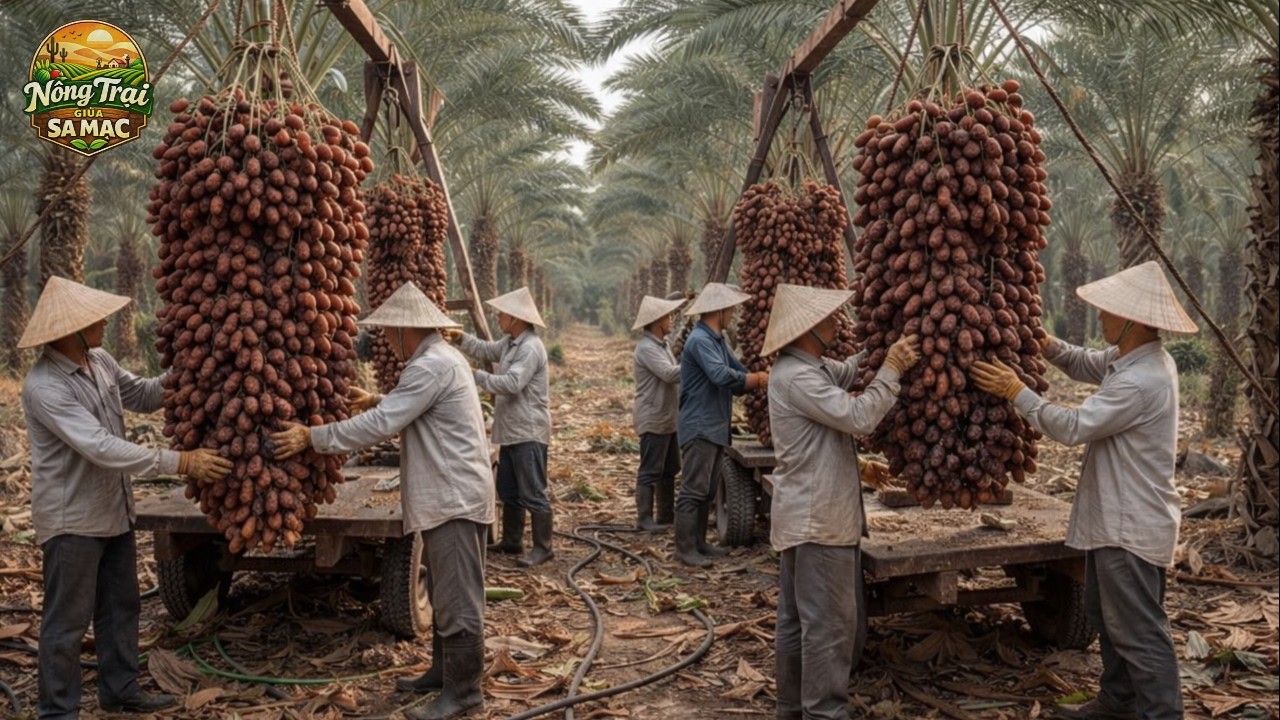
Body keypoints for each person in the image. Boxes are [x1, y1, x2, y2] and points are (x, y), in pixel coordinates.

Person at [969, 261, 1197, 720]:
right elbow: (1081, 362)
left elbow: (1073, 426)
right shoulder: (1133, 358)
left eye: (1106, 312)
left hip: (1129, 525)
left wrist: (1017, 392)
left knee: (1138, 631)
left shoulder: (1141, 380)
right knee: (1105, 617)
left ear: (1134, 321)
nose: (1099, 319)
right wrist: (1044, 343)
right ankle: (1118, 701)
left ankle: (1161, 713)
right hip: (1115, 519)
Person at [270, 282, 493, 720]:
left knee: (459, 600)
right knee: (449, 594)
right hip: (453, 492)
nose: (389, 341)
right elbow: (410, 408)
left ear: (409, 329)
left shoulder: (430, 366)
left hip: (454, 497)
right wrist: (375, 397)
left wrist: (312, 437)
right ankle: (441, 673)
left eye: (392, 332)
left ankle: (465, 694)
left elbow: (380, 425)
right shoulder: (440, 359)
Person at [20, 276, 233, 719]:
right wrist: (182, 462)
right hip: (73, 520)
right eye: (92, 318)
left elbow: (142, 393)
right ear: (67, 331)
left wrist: (192, 368)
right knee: (67, 622)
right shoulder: (45, 387)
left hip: (113, 511)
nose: (103, 322)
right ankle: (57, 711)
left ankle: (120, 690)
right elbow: (99, 445)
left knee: (121, 606)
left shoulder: (98, 360)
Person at [762, 284, 919, 720]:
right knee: (829, 629)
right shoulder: (798, 377)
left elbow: (849, 372)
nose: (839, 322)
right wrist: (892, 369)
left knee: (797, 623)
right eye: (831, 317)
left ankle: (791, 709)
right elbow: (859, 416)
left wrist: (881, 346)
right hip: (819, 523)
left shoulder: (804, 367)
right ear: (809, 328)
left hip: (805, 518)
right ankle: (824, 712)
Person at [447, 286, 554, 568]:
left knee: (533, 491)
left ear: (516, 318)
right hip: (511, 430)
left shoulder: (530, 348)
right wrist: (460, 338)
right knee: (508, 490)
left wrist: (473, 376)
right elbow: (487, 349)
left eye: (502, 314)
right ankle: (512, 541)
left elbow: (512, 383)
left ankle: (544, 547)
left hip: (528, 431)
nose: (498, 317)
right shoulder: (510, 343)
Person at [674, 282, 768, 567]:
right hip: (700, 425)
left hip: (715, 426)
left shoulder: (717, 339)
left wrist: (754, 377)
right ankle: (685, 549)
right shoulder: (700, 340)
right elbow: (720, 376)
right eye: (731, 309)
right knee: (693, 488)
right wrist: (759, 380)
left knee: (707, 490)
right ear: (720, 309)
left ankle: (700, 543)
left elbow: (736, 373)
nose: (734, 314)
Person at [631, 294, 687, 531]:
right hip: (654, 417)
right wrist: (698, 363)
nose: (672, 319)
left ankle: (666, 515)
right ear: (656, 321)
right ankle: (644, 519)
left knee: (670, 468)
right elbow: (669, 373)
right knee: (650, 470)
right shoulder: (646, 348)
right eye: (668, 316)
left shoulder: (662, 345)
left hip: (667, 418)